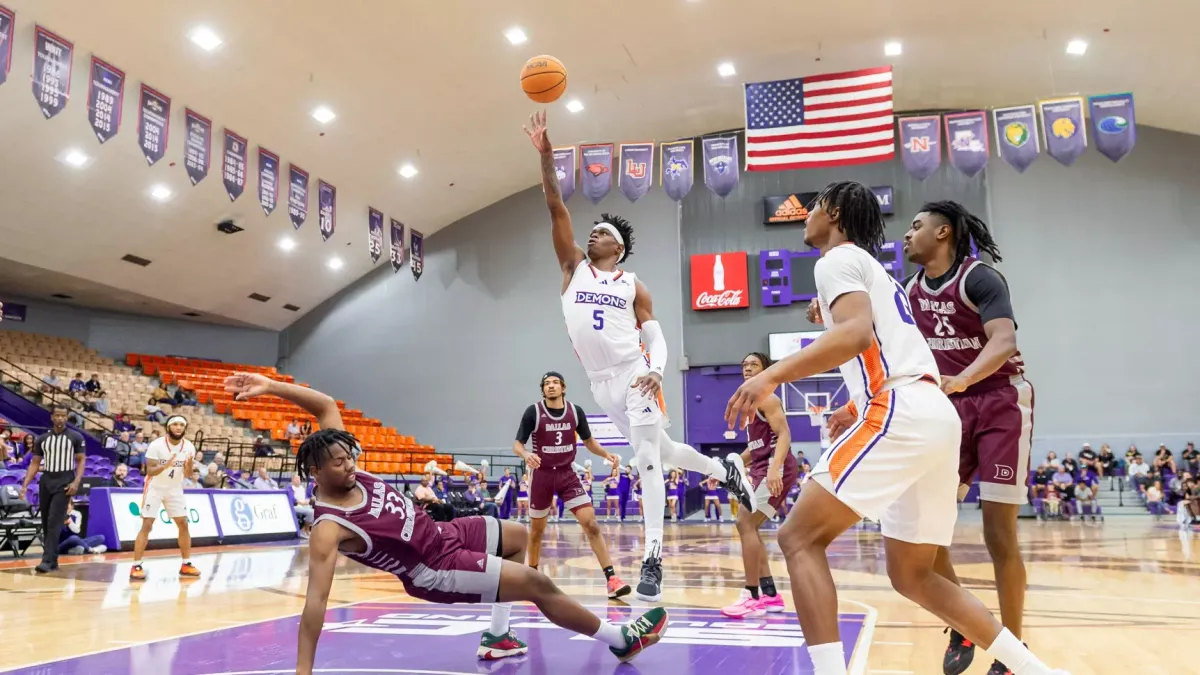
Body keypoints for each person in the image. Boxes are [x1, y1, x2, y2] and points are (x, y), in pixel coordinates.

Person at [728, 182, 1068, 675]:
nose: (805, 216)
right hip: (934, 415)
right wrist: (852, 401)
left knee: (798, 537)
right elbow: (883, 347)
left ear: (836, 214)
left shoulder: (836, 260)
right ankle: (1038, 671)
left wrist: (770, 374)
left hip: (900, 411)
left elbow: (855, 335)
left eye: (814, 207)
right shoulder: (885, 279)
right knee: (913, 575)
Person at [222, 372, 667, 671]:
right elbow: (315, 605)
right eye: (338, 464)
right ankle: (619, 638)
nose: (350, 465)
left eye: (349, 456)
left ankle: (496, 636)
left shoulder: (341, 456)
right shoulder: (329, 527)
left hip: (445, 533)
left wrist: (269, 385)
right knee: (538, 584)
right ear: (316, 472)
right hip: (431, 568)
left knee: (516, 537)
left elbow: (322, 406)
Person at [525, 109, 754, 601]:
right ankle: (724, 471)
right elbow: (554, 206)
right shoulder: (573, 270)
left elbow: (658, 336)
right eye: (594, 230)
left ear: (620, 248)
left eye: (604, 231)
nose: (594, 234)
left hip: (634, 375)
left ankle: (653, 558)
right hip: (600, 382)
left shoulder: (633, 284)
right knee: (665, 452)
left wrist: (654, 371)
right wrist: (547, 156)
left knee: (647, 458)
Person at [863, 200, 1037, 675]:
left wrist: (962, 379)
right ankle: (961, 622)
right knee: (928, 531)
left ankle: (1012, 649)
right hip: (947, 410)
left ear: (943, 233)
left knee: (999, 534)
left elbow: (1004, 342)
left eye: (916, 226)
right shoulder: (910, 291)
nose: (906, 235)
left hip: (1000, 402)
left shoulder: (981, 278)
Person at [512, 371, 630, 596]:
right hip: (542, 475)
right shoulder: (533, 412)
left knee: (591, 524)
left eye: (555, 383)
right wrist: (526, 454)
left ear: (563, 388)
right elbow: (517, 444)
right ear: (543, 390)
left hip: (567, 474)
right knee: (536, 531)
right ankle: (532, 577)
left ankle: (612, 579)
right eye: (547, 384)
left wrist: (606, 454)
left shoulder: (575, 412)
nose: (551, 386)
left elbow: (589, 441)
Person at [723, 351, 799, 619]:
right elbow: (755, 447)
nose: (747, 368)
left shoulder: (768, 396)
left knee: (744, 522)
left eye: (753, 364)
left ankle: (751, 595)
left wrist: (775, 469)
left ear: (765, 369)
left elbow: (784, 434)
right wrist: (726, 466)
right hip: (760, 465)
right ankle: (770, 595)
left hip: (774, 466)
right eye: (744, 364)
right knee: (749, 526)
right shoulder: (750, 400)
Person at [130, 415, 199, 581]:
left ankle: (186, 564)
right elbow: (150, 471)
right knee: (147, 524)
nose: (178, 427)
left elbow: (188, 474)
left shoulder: (189, 447)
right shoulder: (156, 445)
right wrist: (165, 465)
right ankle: (136, 565)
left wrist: (189, 467)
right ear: (168, 427)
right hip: (155, 487)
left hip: (174, 488)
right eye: (175, 424)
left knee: (183, 523)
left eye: (181, 425)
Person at [20, 405, 87, 573]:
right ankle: (54, 560)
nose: (60, 418)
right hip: (46, 480)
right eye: (57, 415)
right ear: (52, 417)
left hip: (65, 480)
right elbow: (35, 463)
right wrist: (25, 485)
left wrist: (76, 482)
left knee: (54, 521)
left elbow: (81, 460)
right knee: (45, 521)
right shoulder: (42, 439)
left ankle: (46, 560)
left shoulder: (75, 436)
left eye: (63, 415)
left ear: (66, 417)